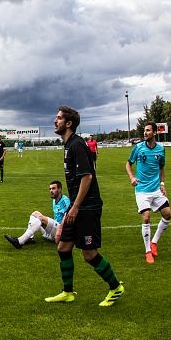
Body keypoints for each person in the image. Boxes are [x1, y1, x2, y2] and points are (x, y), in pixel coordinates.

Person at [45, 106, 124, 307]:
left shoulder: (77, 145)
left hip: (87, 207)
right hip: (76, 205)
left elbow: (87, 177)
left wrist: (76, 207)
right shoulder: (68, 145)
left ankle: (115, 287)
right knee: (63, 248)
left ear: (69, 123)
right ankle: (67, 292)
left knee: (89, 254)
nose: (55, 121)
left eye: (59, 118)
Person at [126, 121, 171, 264]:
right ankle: (147, 251)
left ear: (155, 133)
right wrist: (132, 177)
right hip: (141, 190)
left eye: (148, 130)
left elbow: (161, 167)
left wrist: (162, 184)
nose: (145, 133)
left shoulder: (161, 149)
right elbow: (128, 164)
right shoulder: (138, 148)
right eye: (144, 130)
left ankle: (154, 242)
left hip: (156, 189)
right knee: (146, 217)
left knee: (168, 214)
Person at [3, 180, 70, 249]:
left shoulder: (65, 201)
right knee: (35, 214)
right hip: (53, 231)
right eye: (50, 189)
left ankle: (20, 241)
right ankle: (30, 238)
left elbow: (68, 216)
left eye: (53, 188)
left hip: (62, 232)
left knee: (40, 218)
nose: (51, 191)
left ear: (59, 189)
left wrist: (60, 230)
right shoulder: (54, 199)